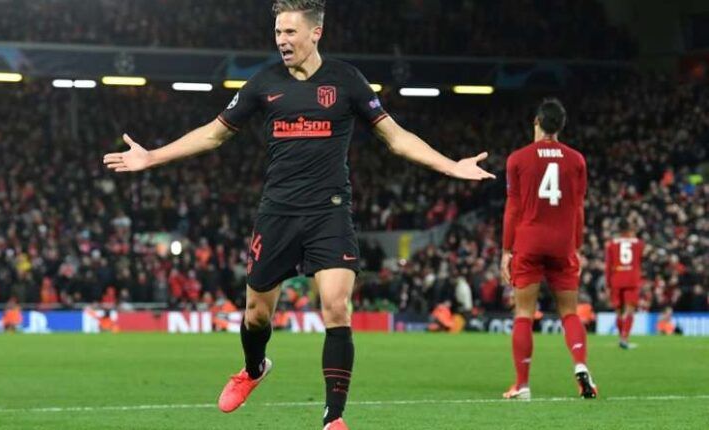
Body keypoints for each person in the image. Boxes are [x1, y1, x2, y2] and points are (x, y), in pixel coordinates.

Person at [103, 0, 494, 427]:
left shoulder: (346, 81)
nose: (282, 41)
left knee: (336, 307)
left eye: (290, 32)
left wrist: (451, 165)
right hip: (278, 213)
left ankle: (334, 418)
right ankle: (253, 370)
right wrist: (152, 157)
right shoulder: (263, 82)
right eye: (277, 33)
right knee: (255, 314)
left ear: (315, 33)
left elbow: (396, 138)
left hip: (329, 213)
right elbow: (213, 135)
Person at [500, 98, 597, 400]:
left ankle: (522, 384)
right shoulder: (577, 160)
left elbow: (513, 209)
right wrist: (577, 247)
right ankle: (580, 365)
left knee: (524, 313)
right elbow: (579, 209)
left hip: (529, 242)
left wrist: (506, 250)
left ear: (536, 122)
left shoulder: (518, 159)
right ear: (561, 126)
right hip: (563, 243)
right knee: (569, 312)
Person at [605, 219, 644, 349]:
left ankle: (621, 338)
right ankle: (625, 339)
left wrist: (607, 284)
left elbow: (608, 266)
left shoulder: (611, 244)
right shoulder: (638, 243)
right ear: (629, 229)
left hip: (616, 279)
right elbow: (639, 260)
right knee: (629, 311)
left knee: (618, 312)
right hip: (631, 280)